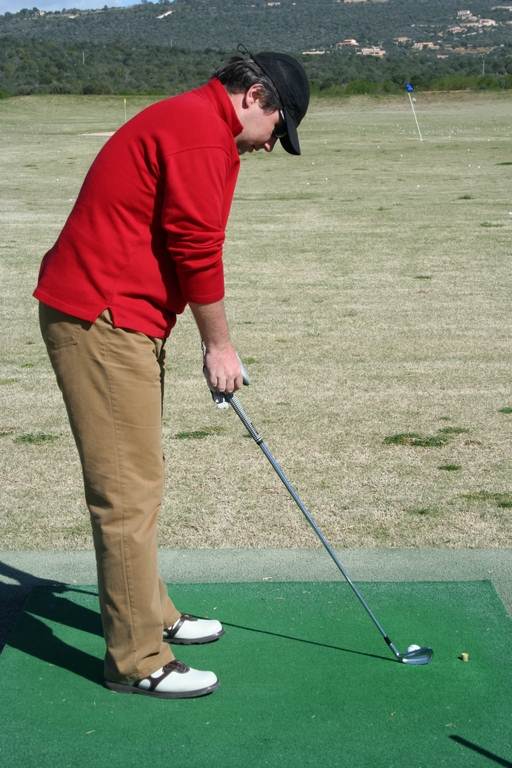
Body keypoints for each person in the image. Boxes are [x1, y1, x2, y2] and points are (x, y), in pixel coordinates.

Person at [34, 51, 309, 699]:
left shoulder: (201, 124)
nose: (271, 145)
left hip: (119, 317)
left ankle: (153, 612)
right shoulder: (198, 133)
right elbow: (196, 245)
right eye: (278, 128)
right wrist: (219, 346)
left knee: (141, 476)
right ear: (255, 97)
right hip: (102, 317)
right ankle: (137, 660)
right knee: (125, 492)